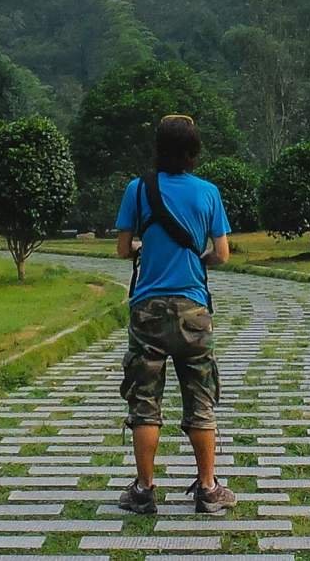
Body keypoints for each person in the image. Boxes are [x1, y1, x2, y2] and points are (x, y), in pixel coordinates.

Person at [110, 113, 234, 516]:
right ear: (194, 151)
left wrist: (144, 250)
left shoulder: (137, 189)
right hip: (193, 309)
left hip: (147, 309)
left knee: (144, 401)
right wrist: (199, 257)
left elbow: (123, 249)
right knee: (200, 399)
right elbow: (222, 254)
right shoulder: (208, 193)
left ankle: (144, 490)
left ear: (158, 148)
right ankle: (209, 489)